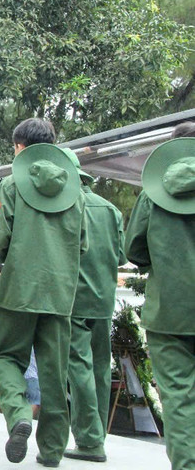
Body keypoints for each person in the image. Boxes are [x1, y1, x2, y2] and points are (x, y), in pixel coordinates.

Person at [0, 118, 87, 467]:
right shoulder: (75, 190)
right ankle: (53, 451)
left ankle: (19, 417)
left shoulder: (12, 185)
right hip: (60, 295)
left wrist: (8, 260)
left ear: (19, 148)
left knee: (6, 356)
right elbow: (83, 245)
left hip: (18, 290)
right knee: (54, 371)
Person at [124, 125, 195, 470]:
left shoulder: (152, 194)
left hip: (169, 311)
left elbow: (134, 248)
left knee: (180, 399)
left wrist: (162, 263)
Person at [63, 148, 125, 463]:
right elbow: (123, 256)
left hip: (75, 299)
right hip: (104, 299)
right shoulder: (111, 210)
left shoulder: (67, 207)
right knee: (101, 367)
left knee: (79, 367)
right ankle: (97, 436)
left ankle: (88, 441)